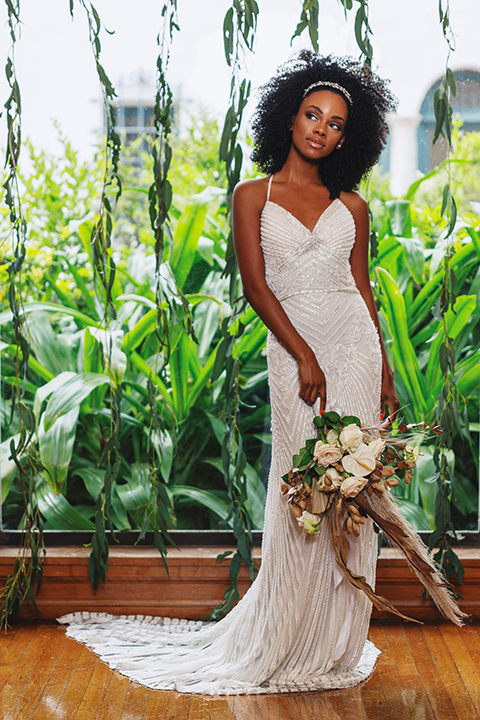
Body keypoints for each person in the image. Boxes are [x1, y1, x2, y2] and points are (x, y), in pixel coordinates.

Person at [59, 51, 399, 694]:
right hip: (295, 349)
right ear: (289, 117)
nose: (321, 129)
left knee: (355, 491)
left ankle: (333, 639)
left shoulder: (352, 206)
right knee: (298, 485)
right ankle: (283, 634)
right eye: (311, 115)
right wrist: (301, 353)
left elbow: (362, 290)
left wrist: (381, 370)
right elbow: (255, 287)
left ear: (347, 138)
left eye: (335, 123)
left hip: (352, 347)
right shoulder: (253, 194)